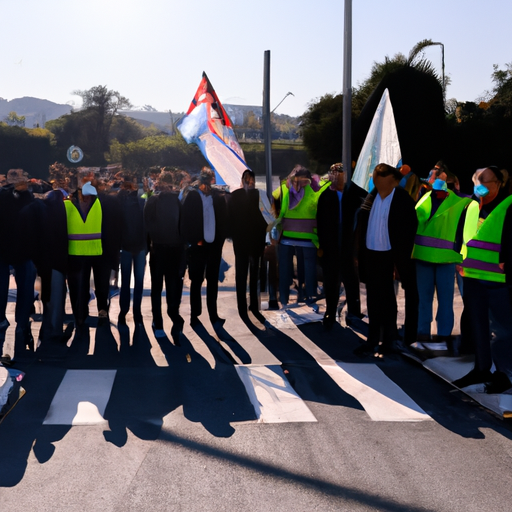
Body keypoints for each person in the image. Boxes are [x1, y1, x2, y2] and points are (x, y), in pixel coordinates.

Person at [453, 167, 512, 392]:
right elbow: (464, 235)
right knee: (478, 326)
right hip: (472, 276)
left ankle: (504, 374)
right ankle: (481, 369)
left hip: (498, 279)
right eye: (477, 180)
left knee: (503, 330)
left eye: (485, 181)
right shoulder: (471, 205)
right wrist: (458, 257)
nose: (480, 185)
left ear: (498, 183)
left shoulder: (507, 206)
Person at [355, 163, 418, 356]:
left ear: (393, 180)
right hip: (371, 254)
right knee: (373, 300)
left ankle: (390, 341)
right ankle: (372, 339)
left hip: (391, 256)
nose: (376, 180)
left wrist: (401, 259)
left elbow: (409, 230)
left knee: (388, 301)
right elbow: (361, 223)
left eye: (380, 176)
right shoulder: (371, 197)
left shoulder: (401, 199)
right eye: (375, 176)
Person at [411, 175, 479, 354]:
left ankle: (428, 337)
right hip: (441, 258)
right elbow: (468, 234)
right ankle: (438, 338)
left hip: (432, 257)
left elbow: (417, 217)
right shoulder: (460, 203)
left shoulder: (430, 198)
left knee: (429, 301)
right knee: (442, 302)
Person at [317, 163, 365, 330]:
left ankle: (354, 312)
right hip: (330, 246)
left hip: (348, 245)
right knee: (331, 282)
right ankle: (330, 312)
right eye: (335, 174)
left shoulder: (352, 195)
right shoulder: (325, 197)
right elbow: (320, 223)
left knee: (351, 280)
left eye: (341, 174)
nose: (338, 177)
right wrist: (322, 247)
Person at [180, 168, 228, 327]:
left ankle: (213, 315)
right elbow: (185, 221)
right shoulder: (192, 196)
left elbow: (223, 222)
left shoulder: (217, 197)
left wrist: (219, 241)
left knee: (213, 280)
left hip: (214, 245)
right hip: (198, 245)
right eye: (207, 182)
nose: (208, 186)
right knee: (196, 281)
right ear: (201, 181)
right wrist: (192, 242)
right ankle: (195, 315)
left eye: (211, 182)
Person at [275, 165, 329, 307]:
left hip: (286, 236)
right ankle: (309, 297)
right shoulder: (315, 190)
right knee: (309, 270)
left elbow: (273, 202)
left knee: (284, 270)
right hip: (308, 238)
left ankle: (284, 299)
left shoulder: (284, 188)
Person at [144, 170, 186, 342]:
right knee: (173, 287)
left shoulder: (153, 200)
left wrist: (149, 245)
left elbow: (146, 224)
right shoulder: (178, 202)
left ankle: (158, 323)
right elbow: (183, 226)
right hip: (175, 249)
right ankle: (175, 319)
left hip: (158, 249)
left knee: (156, 288)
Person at [0, 169, 37, 361]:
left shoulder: (26, 197)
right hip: (18, 252)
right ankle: (20, 324)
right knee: (21, 292)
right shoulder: (26, 198)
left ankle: (19, 324)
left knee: (20, 292)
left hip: (17, 252)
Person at [228, 170, 268, 323]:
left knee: (242, 274)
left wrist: (232, 235)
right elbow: (268, 216)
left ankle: (242, 306)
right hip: (255, 240)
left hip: (241, 241)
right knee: (254, 274)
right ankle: (253, 306)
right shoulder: (260, 195)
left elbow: (229, 218)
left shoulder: (235, 196)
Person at [118, 174, 147, 326]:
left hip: (126, 247)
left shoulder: (120, 201)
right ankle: (137, 311)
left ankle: (124, 311)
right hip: (140, 246)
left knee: (126, 281)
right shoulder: (142, 199)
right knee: (138, 281)